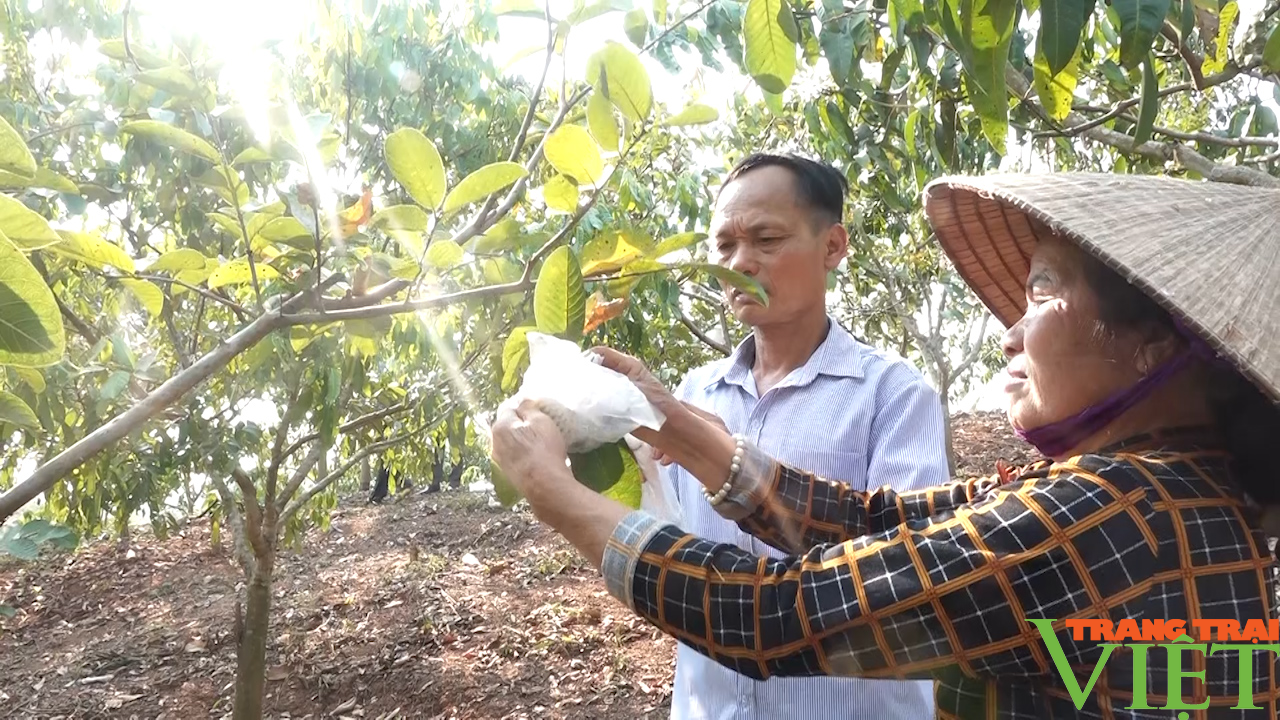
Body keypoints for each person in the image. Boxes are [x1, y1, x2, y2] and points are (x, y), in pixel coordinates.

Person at [490, 172, 1280, 717]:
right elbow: (889, 521)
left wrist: (559, 495)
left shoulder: (1109, 512)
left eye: (1043, 291)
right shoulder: (1172, 493)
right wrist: (679, 422)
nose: (1010, 332)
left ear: (1154, 345)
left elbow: (779, 614)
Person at [656, 152, 950, 719]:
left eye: (766, 240)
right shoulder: (692, 396)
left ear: (833, 247)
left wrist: (721, 459)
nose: (740, 263)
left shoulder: (891, 395)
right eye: (724, 247)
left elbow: (903, 576)